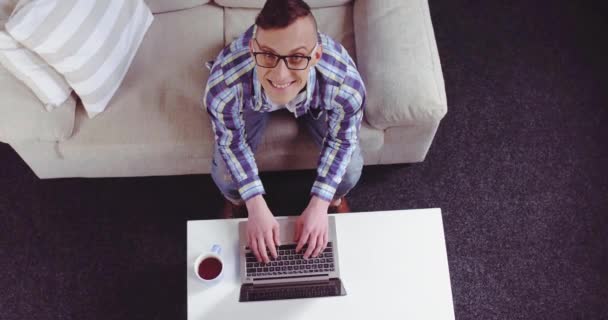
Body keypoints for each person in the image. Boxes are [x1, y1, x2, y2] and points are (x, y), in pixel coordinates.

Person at [203, 0, 365, 264]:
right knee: (225, 177)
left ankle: (335, 201)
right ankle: (237, 204)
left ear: (315, 56)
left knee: (350, 171)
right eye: (268, 54)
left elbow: (343, 140)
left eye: (297, 57)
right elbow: (230, 143)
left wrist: (321, 202)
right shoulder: (223, 85)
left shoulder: (345, 84)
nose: (280, 75)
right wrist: (254, 204)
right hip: (251, 100)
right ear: (253, 47)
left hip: (315, 101)